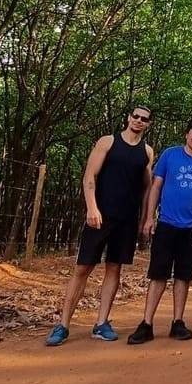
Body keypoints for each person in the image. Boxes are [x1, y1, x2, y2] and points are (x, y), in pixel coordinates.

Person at [46, 104, 154, 345]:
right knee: (83, 268)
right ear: (128, 118)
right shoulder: (107, 142)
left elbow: (146, 186)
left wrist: (146, 217)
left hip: (126, 219)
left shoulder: (147, 152)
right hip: (100, 216)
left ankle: (102, 322)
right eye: (135, 116)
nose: (138, 121)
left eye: (144, 119)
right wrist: (92, 208)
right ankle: (63, 324)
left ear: (148, 124)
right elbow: (89, 176)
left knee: (114, 268)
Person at [128, 116, 192, 344]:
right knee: (158, 274)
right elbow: (156, 186)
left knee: (183, 276)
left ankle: (177, 322)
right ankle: (146, 323)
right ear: (187, 134)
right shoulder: (170, 155)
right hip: (167, 225)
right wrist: (149, 218)